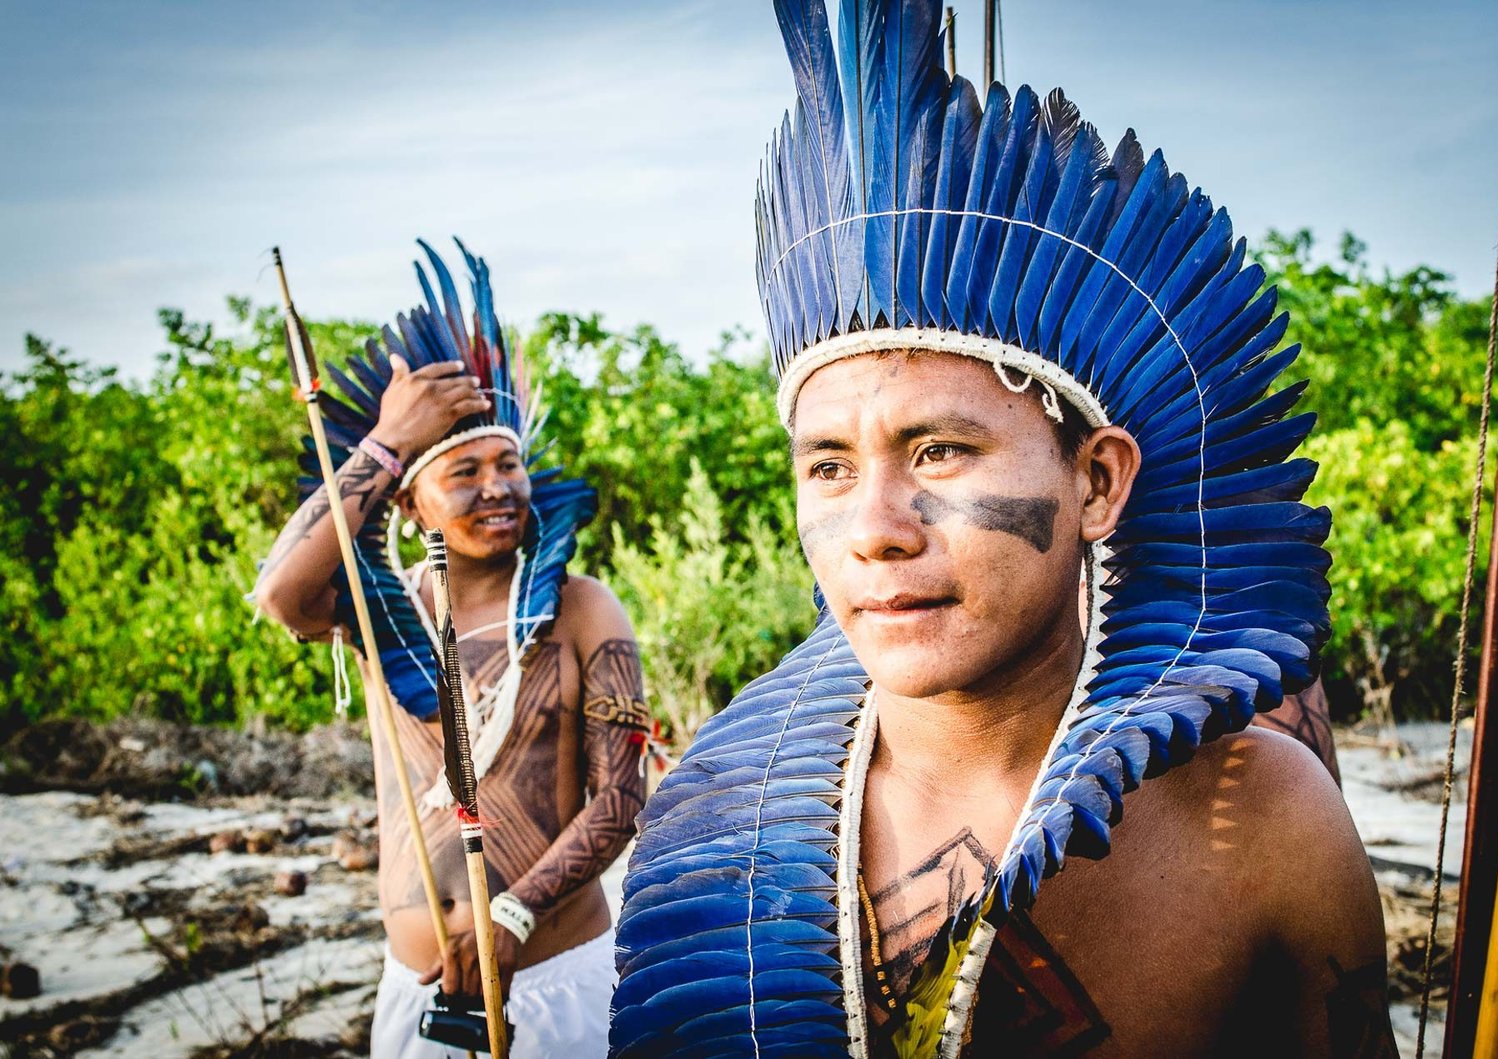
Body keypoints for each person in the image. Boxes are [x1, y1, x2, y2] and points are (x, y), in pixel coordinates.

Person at [608, 3, 1393, 1056]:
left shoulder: (1263, 831)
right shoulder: (713, 830)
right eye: (829, 466)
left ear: (1098, 481)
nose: (875, 528)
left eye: (938, 451)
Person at [254, 241, 645, 1059]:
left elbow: (619, 801)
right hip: (415, 997)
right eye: (464, 470)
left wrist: (513, 913)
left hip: (554, 980)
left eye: (509, 464)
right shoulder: (376, 613)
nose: (497, 486)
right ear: (406, 500)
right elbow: (279, 592)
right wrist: (388, 439)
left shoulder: (580, 608)